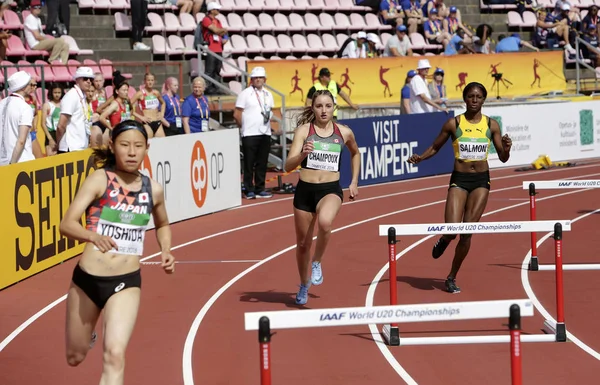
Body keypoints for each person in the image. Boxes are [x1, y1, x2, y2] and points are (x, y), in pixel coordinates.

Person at [59, 120, 175, 384]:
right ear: (112, 146)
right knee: (74, 357)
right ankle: (86, 335)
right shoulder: (100, 180)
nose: (132, 152)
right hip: (88, 279)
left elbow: (163, 223)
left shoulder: (152, 189)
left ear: (147, 148)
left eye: (138, 146)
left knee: (114, 354)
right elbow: (66, 224)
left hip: (126, 282)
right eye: (125, 145)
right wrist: (93, 236)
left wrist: (166, 249)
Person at [407, 82, 512, 294]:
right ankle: (445, 238)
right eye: (471, 96)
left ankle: (451, 276)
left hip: (481, 181)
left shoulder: (491, 126)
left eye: (479, 97)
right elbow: (435, 147)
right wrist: (420, 158)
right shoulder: (453, 124)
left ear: (484, 100)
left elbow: (502, 158)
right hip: (460, 179)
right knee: (453, 227)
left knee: (467, 233)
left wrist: (507, 148)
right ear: (465, 99)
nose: (475, 100)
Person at [284, 89, 361, 305]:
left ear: (334, 107)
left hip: (330, 189)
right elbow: (288, 165)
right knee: (302, 244)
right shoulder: (303, 131)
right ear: (313, 108)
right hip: (305, 191)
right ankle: (303, 284)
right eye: (319, 106)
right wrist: (302, 155)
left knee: (326, 223)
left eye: (328, 106)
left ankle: (317, 262)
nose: (324, 110)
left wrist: (354, 181)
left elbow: (355, 153)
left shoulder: (344, 132)